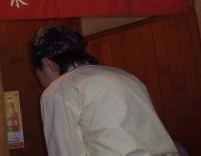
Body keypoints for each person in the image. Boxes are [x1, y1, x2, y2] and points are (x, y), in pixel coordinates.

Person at [29, 25, 179, 156]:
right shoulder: (126, 77)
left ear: (48, 64)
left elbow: (65, 152)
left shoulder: (58, 89)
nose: (41, 83)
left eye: (38, 74)